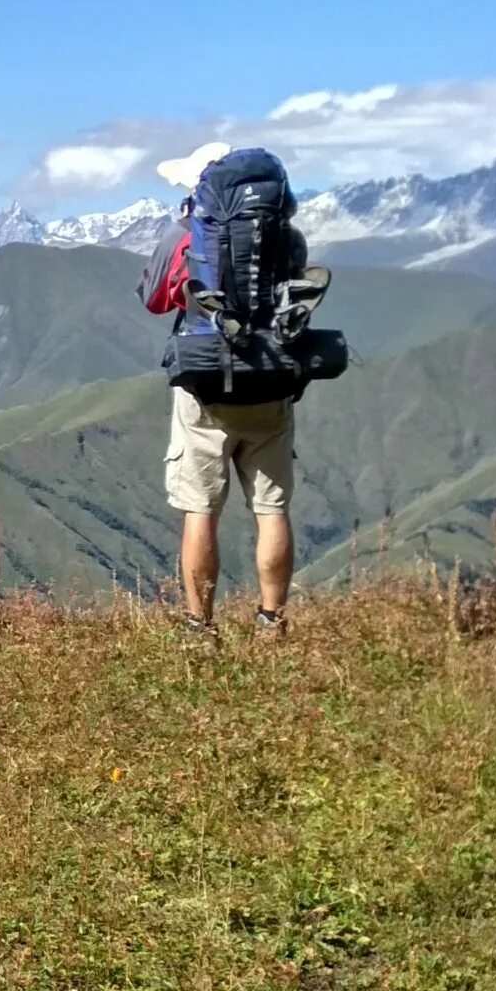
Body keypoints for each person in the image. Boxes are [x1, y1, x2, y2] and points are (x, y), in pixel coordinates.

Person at [140, 148, 316, 641]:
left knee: (201, 508)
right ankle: (271, 623)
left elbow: (154, 298)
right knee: (272, 508)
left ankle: (200, 628)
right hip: (271, 383)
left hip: (207, 386)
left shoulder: (187, 237)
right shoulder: (287, 237)